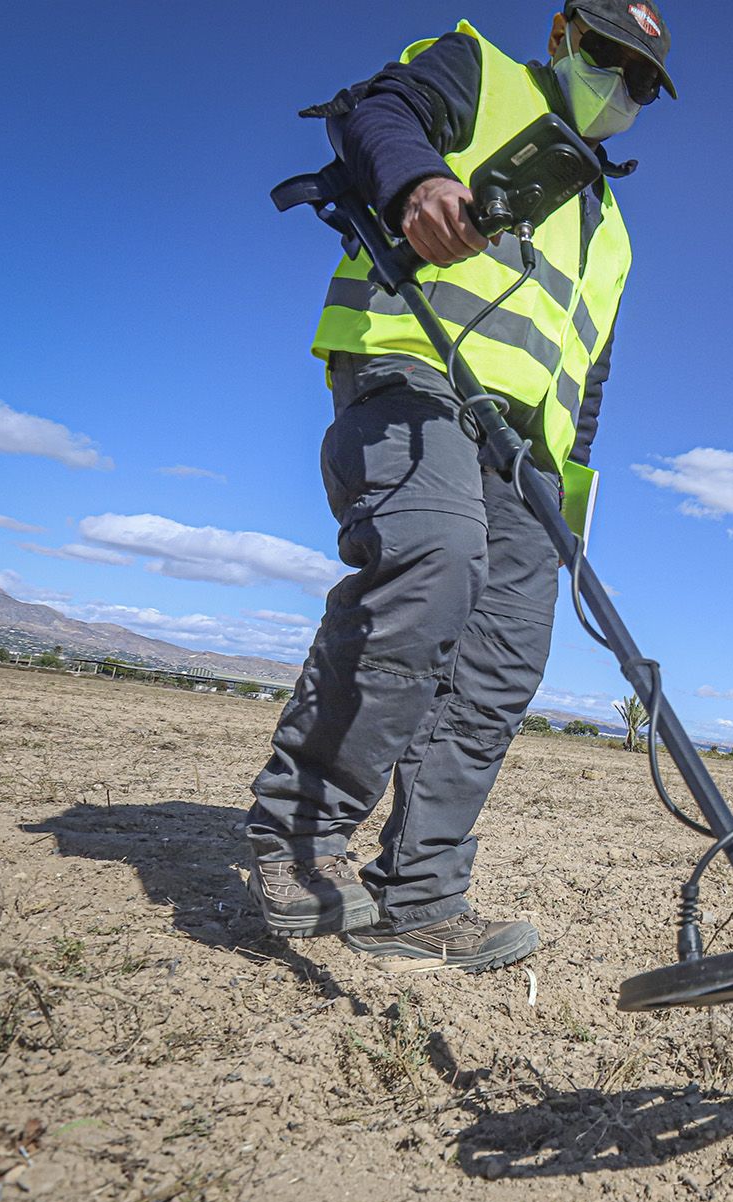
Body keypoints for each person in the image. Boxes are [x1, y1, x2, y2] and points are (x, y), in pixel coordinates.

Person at [242, 2, 677, 974]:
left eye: (643, 82)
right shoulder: (479, 72)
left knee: (503, 664)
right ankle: (302, 841)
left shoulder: (611, 232)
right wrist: (419, 177)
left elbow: (585, 376)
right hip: (415, 378)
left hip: (530, 460)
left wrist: (564, 506)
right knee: (433, 566)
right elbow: (375, 114)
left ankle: (419, 898)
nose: (624, 88)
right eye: (611, 60)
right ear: (564, 35)